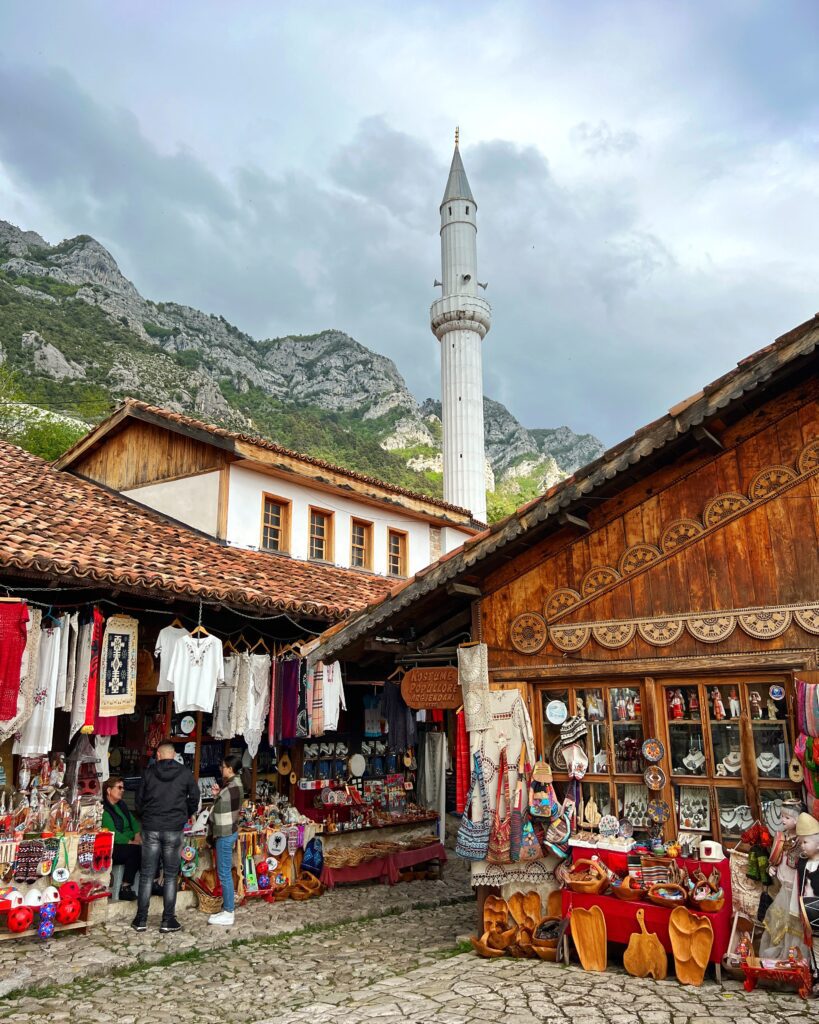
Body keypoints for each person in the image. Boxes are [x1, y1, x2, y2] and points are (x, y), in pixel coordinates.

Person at [132, 741, 199, 933]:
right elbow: (194, 798)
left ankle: (141, 919)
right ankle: (168, 920)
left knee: (146, 874)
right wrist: (185, 814)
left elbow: (138, 800)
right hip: (173, 828)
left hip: (151, 827)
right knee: (170, 876)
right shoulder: (184, 773)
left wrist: (147, 816)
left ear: (159, 755)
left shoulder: (149, 773)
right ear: (174, 754)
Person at [207, 753, 245, 926]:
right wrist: (218, 795)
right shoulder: (236, 784)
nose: (221, 769)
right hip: (231, 830)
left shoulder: (229, 788)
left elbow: (217, 813)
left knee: (224, 873)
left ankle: (229, 911)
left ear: (230, 768)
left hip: (225, 833)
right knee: (225, 872)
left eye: (223, 766)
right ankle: (227, 909)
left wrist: (215, 799)